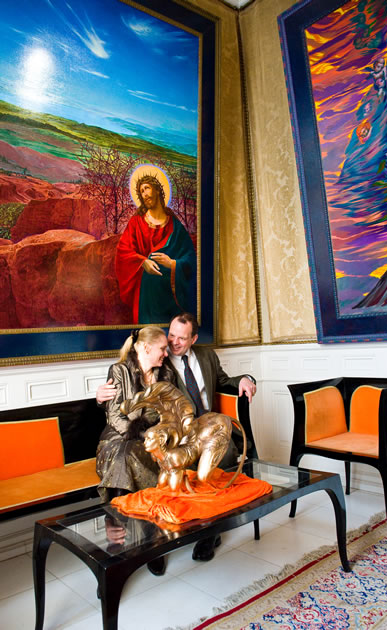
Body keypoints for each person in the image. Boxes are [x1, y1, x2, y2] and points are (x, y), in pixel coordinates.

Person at [97, 312, 257, 561]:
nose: (173, 343)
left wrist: (246, 379)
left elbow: (223, 381)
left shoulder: (204, 357)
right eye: (170, 336)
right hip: (174, 434)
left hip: (200, 427)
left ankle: (210, 531)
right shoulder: (161, 363)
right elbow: (123, 404)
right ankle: (151, 535)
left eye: (181, 338)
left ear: (193, 339)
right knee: (159, 460)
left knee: (220, 459)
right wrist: (100, 397)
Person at [96, 325, 175, 576]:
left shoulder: (166, 374)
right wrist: (141, 436)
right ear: (145, 347)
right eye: (162, 348)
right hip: (116, 440)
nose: (166, 353)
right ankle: (147, 540)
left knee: (131, 456)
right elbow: (114, 417)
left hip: (152, 441)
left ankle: (121, 533)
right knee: (125, 453)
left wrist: (155, 437)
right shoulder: (119, 371)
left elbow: (169, 414)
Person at [115, 164, 196, 324]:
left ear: (158, 190)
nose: (144, 194)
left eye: (147, 188)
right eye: (141, 191)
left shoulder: (174, 225)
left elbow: (190, 258)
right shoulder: (136, 223)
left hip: (170, 294)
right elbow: (123, 250)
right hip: (147, 294)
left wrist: (173, 264)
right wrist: (142, 261)